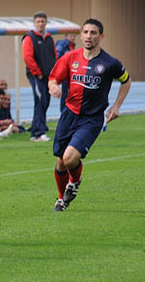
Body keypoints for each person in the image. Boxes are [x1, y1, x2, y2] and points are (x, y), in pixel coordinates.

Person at [47, 19, 131, 211]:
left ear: (101, 37)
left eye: (93, 33)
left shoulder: (110, 63)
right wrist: (53, 87)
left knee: (69, 158)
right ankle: (62, 199)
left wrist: (117, 106)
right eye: (85, 32)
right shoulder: (70, 57)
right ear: (81, 35)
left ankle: (75, 182)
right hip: (69, 114)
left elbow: (126, 81)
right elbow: (53, 78)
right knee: (60, 161)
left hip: (91, 119)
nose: (88, 36)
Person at [22, 11, 57, 142]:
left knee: (44, 101)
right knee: (41, 100)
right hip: (37, 76)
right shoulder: (29, 38)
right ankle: (38, 133)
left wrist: (55, 72)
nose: (41, 24)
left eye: (43, 21)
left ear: (46, 22)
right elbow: (27, 57)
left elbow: (54, 56)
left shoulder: (49, 38)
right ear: (34, 23)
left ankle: (36, 128)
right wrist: (37, 73)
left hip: (49, 76)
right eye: (38, 22)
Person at [55, 33, 77, 113]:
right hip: (65, 73)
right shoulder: (62, 45)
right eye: (71, 35)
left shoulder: (71, 46)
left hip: (70, 73)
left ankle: (68, 111)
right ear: (66, 36)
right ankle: (64, 111)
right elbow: (58, 58)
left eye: (74, 36)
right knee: (65, 93)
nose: (73, 37)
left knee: (69, 93)